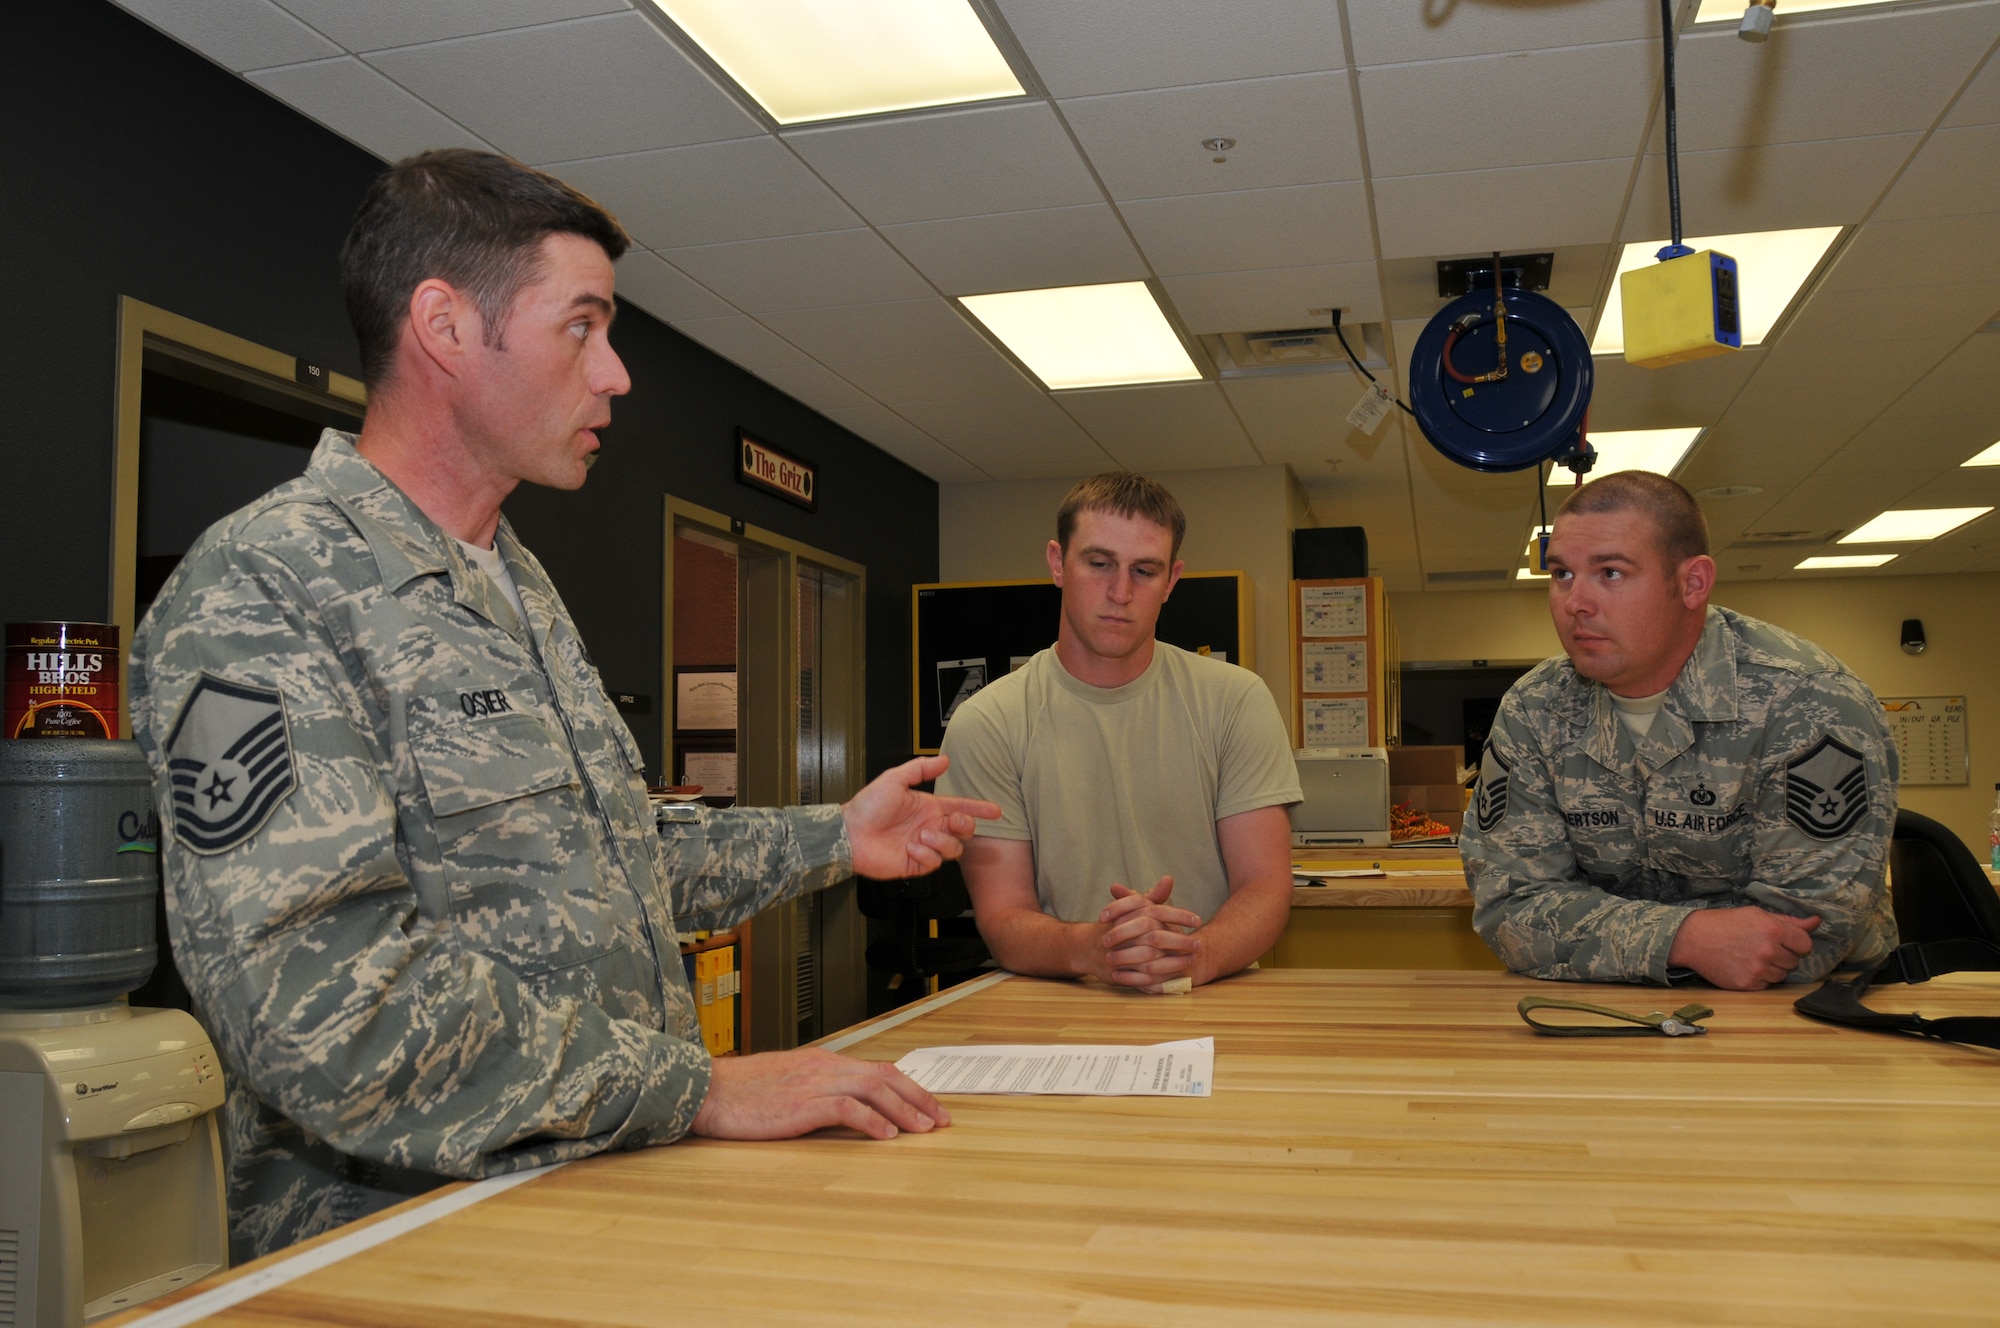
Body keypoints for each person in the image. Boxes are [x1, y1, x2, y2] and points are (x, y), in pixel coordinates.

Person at [128, 149, 998, 1262]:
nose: (617, 373)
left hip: (598, 1206)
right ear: (444, 327)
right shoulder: (262, 587)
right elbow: (323, 1015)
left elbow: (606, 857)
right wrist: (697, 1087)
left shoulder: (513, 579)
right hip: (404, 1246)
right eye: (580, 327)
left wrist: (835, 837)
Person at [1461, 470, 1899, 989]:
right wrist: (1683, 938)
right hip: (1605, 1015)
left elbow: (1807, 934)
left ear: (1692, 583)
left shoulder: (1807, 700)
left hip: (1807, 1018)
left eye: (1611, 573)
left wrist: (1597, 938)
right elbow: (1510, 909)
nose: (1575, 601)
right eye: (1561, 574)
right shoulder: (1535, 709)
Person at [936, 473, 1300, 992]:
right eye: (1099, 563)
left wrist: (1192, 957)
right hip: (1057, 1008)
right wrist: (1095, 947)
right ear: (1058, 563)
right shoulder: (988, 724)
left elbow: (1264, 885)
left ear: (1171, 581)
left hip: (1211, 999)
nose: (1120, 592)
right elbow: (1002, 917)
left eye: (1144, 571)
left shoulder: (1236, 702)